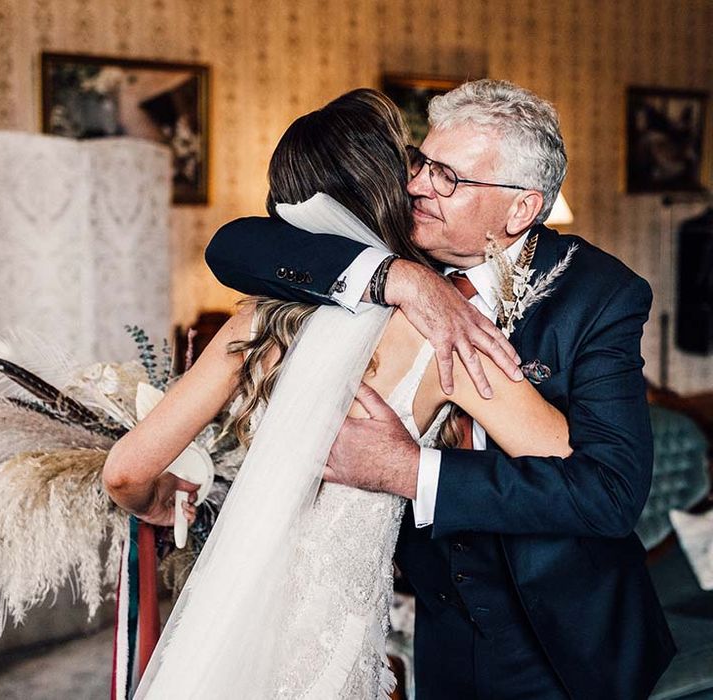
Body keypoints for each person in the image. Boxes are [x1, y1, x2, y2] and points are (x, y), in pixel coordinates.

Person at [205, 80, 676, 699]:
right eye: (422, 163)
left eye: (448, 177)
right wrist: (400, 278)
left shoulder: (600, 296)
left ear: (520, 210)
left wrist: (410, 471)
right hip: (446, 628)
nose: (419, 186)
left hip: (569, 641)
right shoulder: (403, 254)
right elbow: (234, 246)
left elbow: (612, 495)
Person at [103, 88, 571, 698]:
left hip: (230, 612)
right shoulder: (444, 331)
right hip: (330, 633)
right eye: (414, 170)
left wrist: (164, 504)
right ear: (387, 192)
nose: (424, 185)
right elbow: (567, 463)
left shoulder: (256, 321)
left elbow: (123, 474)